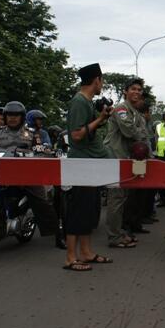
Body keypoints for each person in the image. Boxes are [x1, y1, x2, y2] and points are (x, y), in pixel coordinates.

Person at [0, 101, 62, 247]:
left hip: (25, 174)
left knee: (41, 200)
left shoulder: (31, 134)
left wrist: (34, 154)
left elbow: (41, 151)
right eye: (9, 115)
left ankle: (57, 235)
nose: (12, 118)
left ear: (22, 117)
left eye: (16, 115)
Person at [64, 63, 115, 271]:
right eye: (101, 81)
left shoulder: (87, 103)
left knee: (88, 211)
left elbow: (87, 130)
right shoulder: (79, 102)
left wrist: (100, 119)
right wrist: (100, 120)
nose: (101, 85)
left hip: (91, 165)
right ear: (97, 80)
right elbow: (76, 135)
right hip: (81, 164)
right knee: (77, 212)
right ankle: (70, 258)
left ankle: (86, 252)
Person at [103, 77, 151, 248]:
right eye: (133, 89)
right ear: (125, 91)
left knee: (123, 197)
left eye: (139, 90)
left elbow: (143, 136)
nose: (137, 92)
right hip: (116, 157)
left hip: (126, 158)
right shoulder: (122, 109)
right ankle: (114, 237)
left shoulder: (135, 112)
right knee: (116, 197)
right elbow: (129, 131)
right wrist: (139, 132)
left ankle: (119, 231)